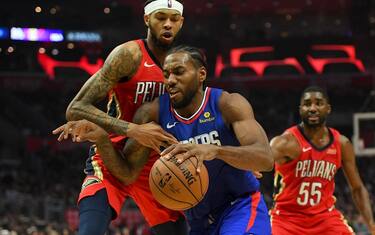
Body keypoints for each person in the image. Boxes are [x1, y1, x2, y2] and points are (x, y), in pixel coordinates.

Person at [57, 45, 274, 235]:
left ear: (201, 74)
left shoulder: (228, 104)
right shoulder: (152, 114)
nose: (170, 80)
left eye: (179, 72)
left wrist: (216, 151)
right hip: (198, 221)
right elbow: (128, 174)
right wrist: (103, 139)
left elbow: (265, 159)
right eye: (166, 74)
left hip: (239, 207)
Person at [53, 1, 188, 234]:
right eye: (160, 17)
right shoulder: (128, 55)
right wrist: (132, 129)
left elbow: (199, 116)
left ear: (181, 23)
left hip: (157, 167)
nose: (168, 24)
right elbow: (76, 107)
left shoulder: (186, 65)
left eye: (174, 19)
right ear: (147, 19)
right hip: (111, 154)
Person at [270, 86, 375, 235]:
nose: (312, 108)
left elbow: (357, 188)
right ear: (301, 110)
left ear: (328, 108)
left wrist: (371, 225)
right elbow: (262, 158)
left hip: (325, 218)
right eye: (307, 104)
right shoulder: (285, 142)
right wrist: (253, 165)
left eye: (319, 103)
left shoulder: (341, 144)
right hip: (287, 219)